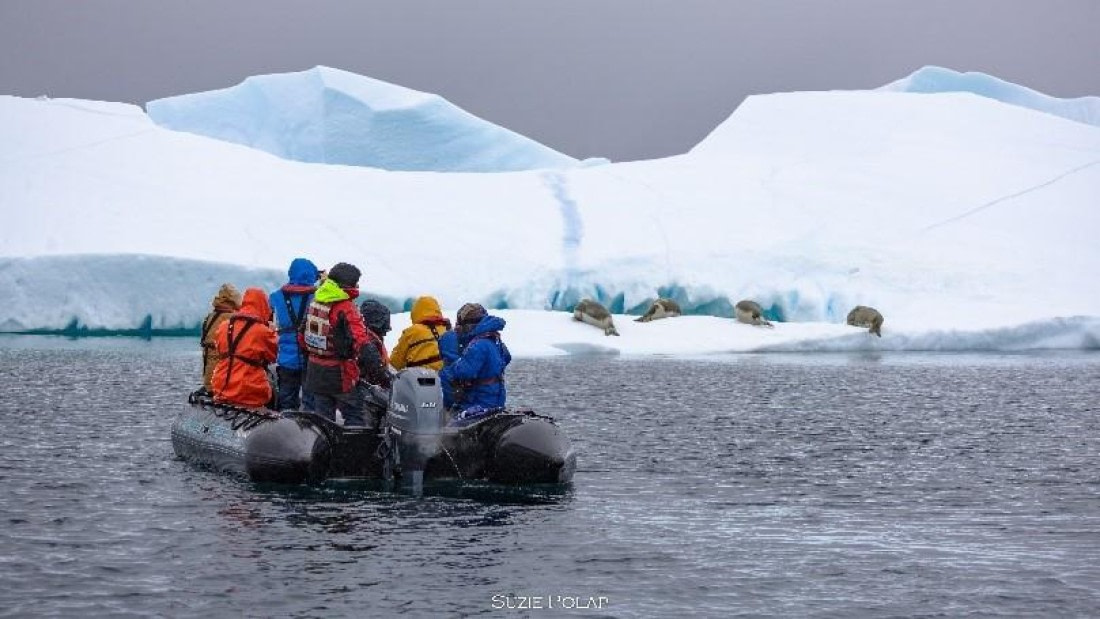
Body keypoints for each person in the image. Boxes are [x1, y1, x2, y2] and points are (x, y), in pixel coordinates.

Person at [300, 262, 369, 426]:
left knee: (323, 421)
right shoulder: (346, 307)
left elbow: (302, 335)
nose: (357, 286)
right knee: (354, 415)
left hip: (315, 370)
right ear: (347, 284)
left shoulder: (316, 301)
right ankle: (353, 444)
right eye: (356, 283)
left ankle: (323, 442)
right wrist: (379, 368)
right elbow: (361, 341)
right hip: (339, 372)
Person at [210, 288, 278, 408]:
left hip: (221, 385)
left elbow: (219, 349)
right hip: (248, 390)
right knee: (273, 385)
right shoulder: (262, 331)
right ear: (263, 306)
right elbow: (273, 355)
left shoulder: (224, 326)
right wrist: (273, 332)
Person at [439, 303, 511, 414]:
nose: (458, 328)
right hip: (497, 399)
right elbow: (507, 357)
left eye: (460, 324)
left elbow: (465, 371)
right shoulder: (495, 339)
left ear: (469, 325)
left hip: (479, 402)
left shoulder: (478, 345)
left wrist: (449, 369)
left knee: (445, 376)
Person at [269, 258, 320, 410]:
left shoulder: (276, 296)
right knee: (310, 402)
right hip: (310, 357)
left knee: (286, 399)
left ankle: (285, 421)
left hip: (286, 358)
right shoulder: (317, 297)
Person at [199, 283, 241, 393]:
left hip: (209, 358)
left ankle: (209, 388)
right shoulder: (230, 317)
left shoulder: (211, 316)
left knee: (210, 381)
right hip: (221, 360)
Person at [390, 295, 451, 371]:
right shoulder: (447, 330)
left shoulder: (412, 331)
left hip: (419, 376)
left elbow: (395, 363)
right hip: (444, 375)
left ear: (416, 312)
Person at [357, 299, 393, 427]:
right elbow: (376, 368)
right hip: (364, 388)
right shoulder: (369, 341)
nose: (386, 330)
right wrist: (390, 381)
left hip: (369, 385)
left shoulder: (370, 337)